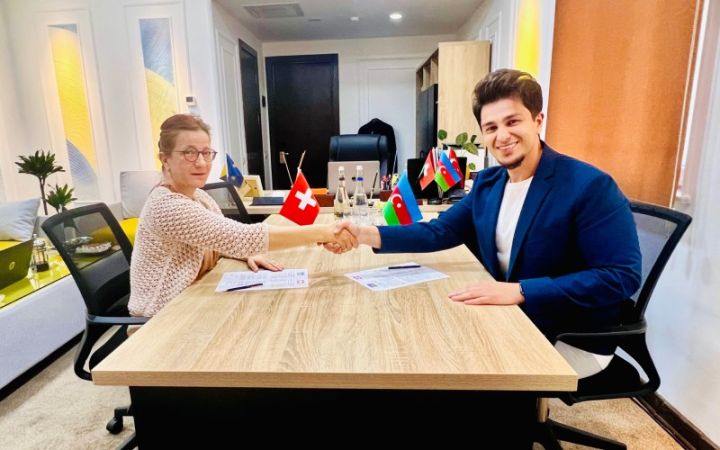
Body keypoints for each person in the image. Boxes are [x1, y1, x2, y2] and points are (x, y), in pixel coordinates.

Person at [334, 69, 642, 378]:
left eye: (513, 122)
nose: (502, 136)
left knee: (449, 367)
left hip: (568, 334)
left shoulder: (589, 186)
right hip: (510, 318)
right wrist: (363, 234)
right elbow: (438, 231)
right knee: (417, 342)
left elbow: (621, 276)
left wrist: (522, 291)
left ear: (537, 120)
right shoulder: (489, 184)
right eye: (491, 127)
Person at [129, 114, 355, 318]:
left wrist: (246, 254)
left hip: (191, 302)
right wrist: (325, 232)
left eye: (206, 153)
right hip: (159, 319)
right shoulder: (166, 206)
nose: (201, 162)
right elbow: (239, 237)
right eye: (189, 153)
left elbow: (220, 238)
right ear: (165, 159)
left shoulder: (199, 196)